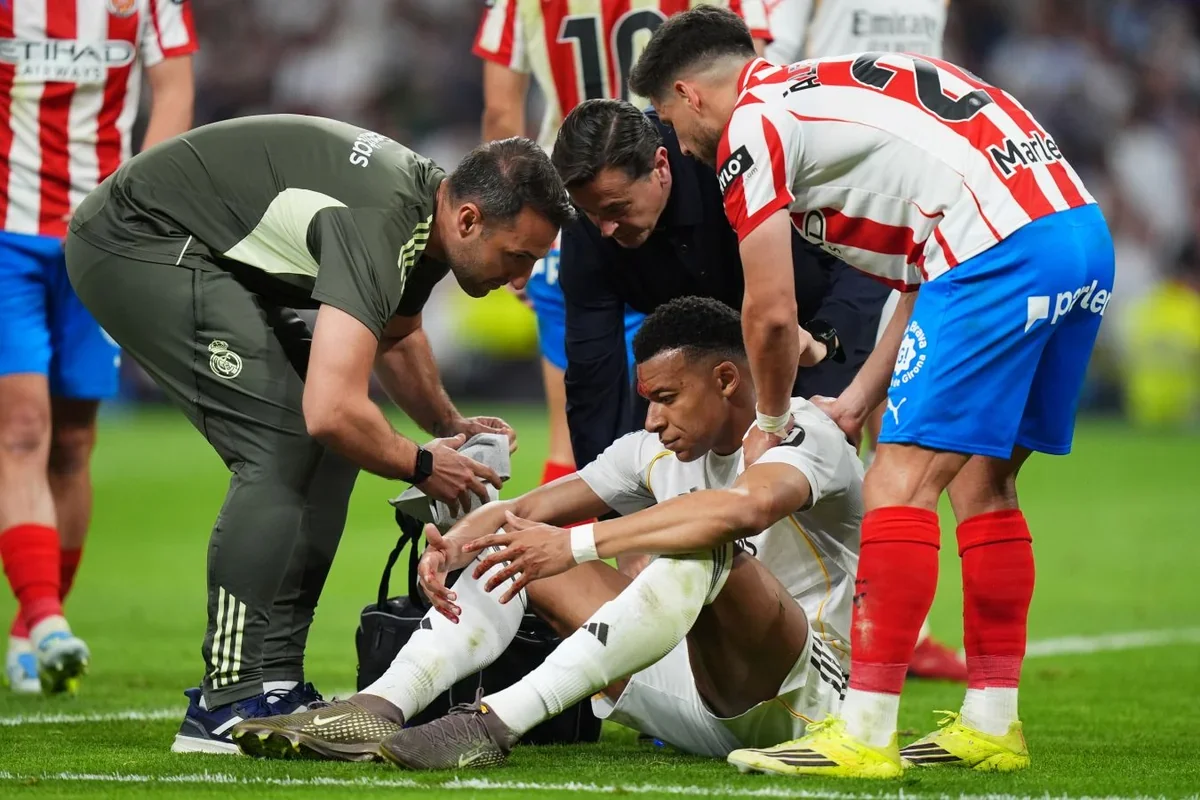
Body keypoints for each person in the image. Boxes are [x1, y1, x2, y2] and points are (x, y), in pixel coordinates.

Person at [628, 7, 1114, 777]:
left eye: (668, 122)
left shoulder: (753, 125)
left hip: (996, 249)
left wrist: (770, 420)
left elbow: (770, 311)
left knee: (896, 483)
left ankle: (865, 731)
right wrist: (855, 399)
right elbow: (924, 275)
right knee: (983, 484)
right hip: (1076, 237)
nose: (679, 145)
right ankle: (993, 722)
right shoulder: (835, 96)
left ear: (688, 94)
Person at [64, 116, 572, 753]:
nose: (521, 279)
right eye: (518, 256)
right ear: (469, 220)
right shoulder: (384, 220)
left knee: (332, 450)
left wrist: (450, 426)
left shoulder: (427, 222)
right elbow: (330, 411)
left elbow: (396, 336)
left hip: (207, 251)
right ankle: (225, 700)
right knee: (280, 440)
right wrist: (421, 464)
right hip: (136, 237)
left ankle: (275, 683)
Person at [228, 296, 861, 768]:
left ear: (726, 380)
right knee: (511, 543)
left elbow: (743, 510)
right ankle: (381, 705)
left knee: (702, 540)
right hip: (687, 696)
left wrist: (578, 545)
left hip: (800, 703)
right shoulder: (651, 450)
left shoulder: (808, 434)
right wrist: (457, 544)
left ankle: (490, 726)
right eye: (647, 400)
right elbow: (524, 509)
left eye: (667, 398)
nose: (652, 419)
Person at [472, 0, 773, 490]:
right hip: (676, 184)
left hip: (568, 214)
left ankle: (610, 536)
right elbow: (749, 82)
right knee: (729, 406)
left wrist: (518, 234)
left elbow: (500, 113)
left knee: (575, 433)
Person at [759, 0, 962, 679]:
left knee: (898, 421)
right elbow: (768, 63)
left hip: (909, 197)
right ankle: (805, 618)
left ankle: (893, 627)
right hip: (833, 199)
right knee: (838, 426)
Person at [0, 0, 197, 696]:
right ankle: (48, 619)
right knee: (23, 429)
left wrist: (135, 203)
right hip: (7, 237)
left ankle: (29, 631)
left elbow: (173, 90)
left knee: (74, 440)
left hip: (97, 238)